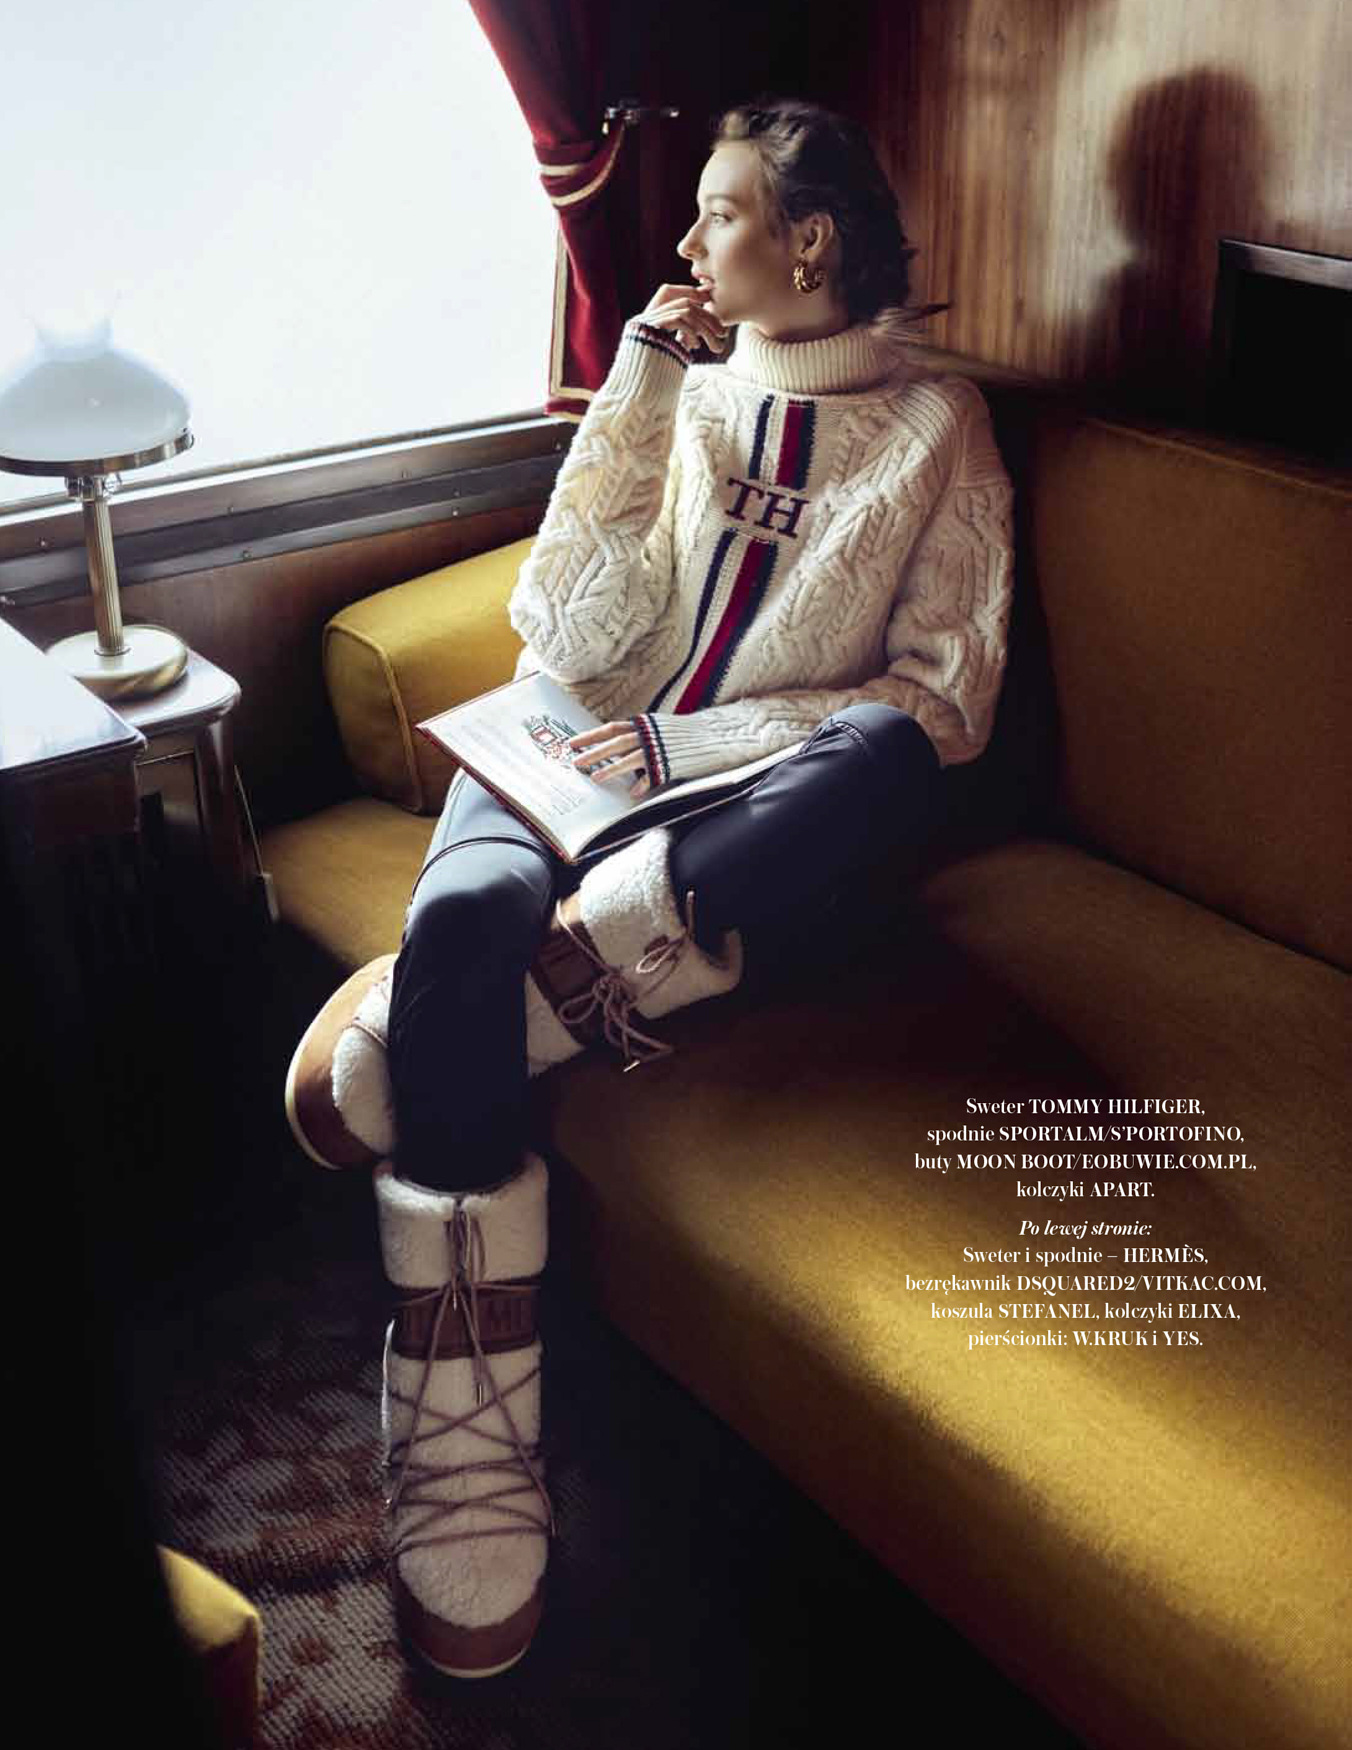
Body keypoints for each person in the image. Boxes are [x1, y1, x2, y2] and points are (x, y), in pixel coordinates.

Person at [286, 96, 1014, 1680]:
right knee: (466, 915)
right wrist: (636, 389)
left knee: (889, 760)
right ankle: (465, 1401)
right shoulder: (683, 382)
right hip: (565, 740)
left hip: (732, 811)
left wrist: (688, 744)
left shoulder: (937, 429)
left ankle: (528, 991)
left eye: (717, 211)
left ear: (807, 241)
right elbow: (565, 618)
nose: (684, 242)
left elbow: (945, 696)